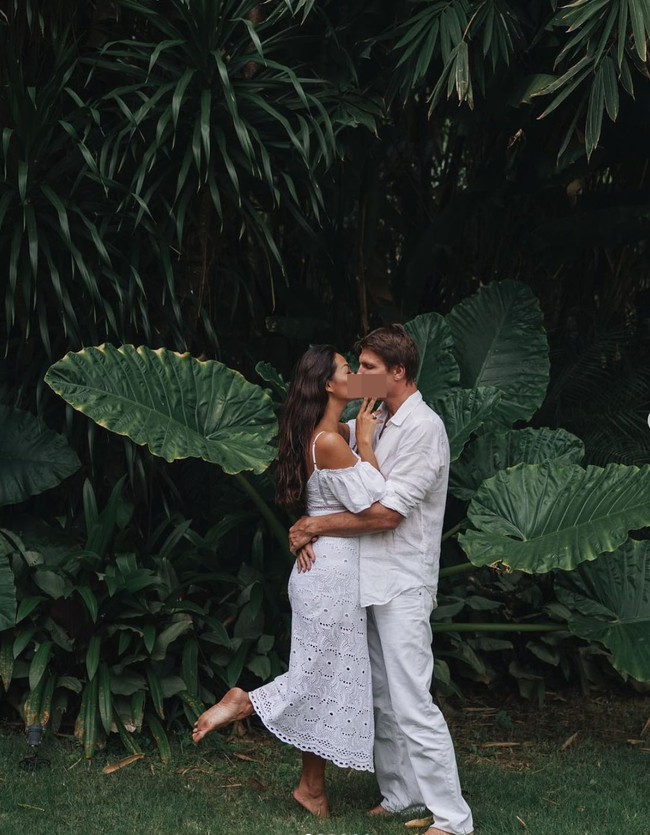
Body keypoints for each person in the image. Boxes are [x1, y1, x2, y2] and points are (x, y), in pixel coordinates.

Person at [289, 324, 474, 835]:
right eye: (356, 366)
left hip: (403, 582)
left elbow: (388, 514)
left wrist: (315, 526)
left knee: (413, 703)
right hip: (366, 580)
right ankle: (401, 794)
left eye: (367, 367)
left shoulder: (423, 428)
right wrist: (311, 524)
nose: (360, 375)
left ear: (397, 372)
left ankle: (455, 819)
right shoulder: (373, 417)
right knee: (384, 698)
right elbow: (326, 464)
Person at [191, 345, 386, 819]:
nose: (356, 376)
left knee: (327, 681)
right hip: (332, 578)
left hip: (320, 572)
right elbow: (379, 502)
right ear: (327, 385)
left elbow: (325, 500)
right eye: (347, 370)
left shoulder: (322, 434)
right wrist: (366, 438)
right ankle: (246, 702)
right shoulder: (333, 441)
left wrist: (365, 410)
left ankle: (311, 789)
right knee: (320, 680)